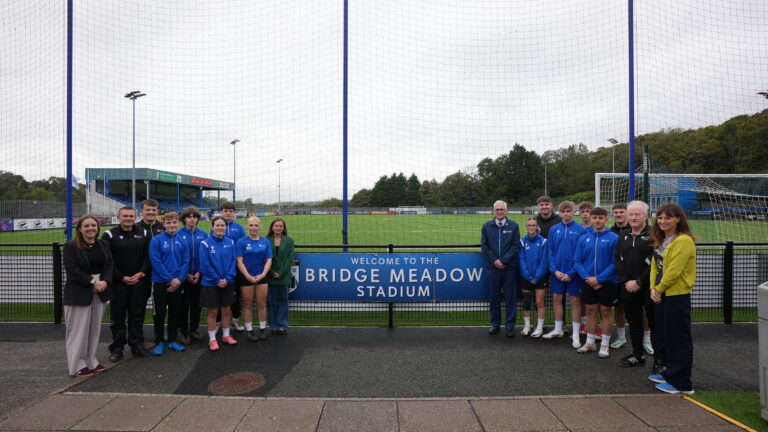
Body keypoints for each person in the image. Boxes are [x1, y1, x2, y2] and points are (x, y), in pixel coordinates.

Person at [647, 203, 697, 395]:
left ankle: (682, 382)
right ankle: (670, 372)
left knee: (678, 338)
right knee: (664, 336)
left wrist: (658, 289)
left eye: (667, 217)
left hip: (676, 296)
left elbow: (673, 271)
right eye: (660, 218)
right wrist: (653, 288)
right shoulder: (663, 240)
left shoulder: (683, 241)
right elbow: (655, 266)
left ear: (678, 219)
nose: (663, 221)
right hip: (661, 294)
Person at [63, 214, 114, 376]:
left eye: (94, 225)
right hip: (80, 290)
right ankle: (77, 365)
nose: (91, 228)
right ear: (79, 229)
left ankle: (91, 361)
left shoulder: (103, 244)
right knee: (78, 330)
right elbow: (72, 271)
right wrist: (93, 282)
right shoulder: (71, 246)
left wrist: (104, 281)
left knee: (94, 329)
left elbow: (109, 264)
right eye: (87, 226)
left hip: (101, 288)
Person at [102, 206, 152, 361]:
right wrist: (121, 277)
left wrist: (141, 273)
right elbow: (107, 260)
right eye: (125, 216)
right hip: (118, 283)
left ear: (135, 217)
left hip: (139, 281)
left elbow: (148, 257)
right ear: (118, 218)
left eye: (131, 216)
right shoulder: (109, 234)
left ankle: (137, 344)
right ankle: (117, 347)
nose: (128, 218)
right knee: (118, 316)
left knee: (137, 315)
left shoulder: (143, 233)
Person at [615, 200, 656, 368]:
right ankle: (637, 355)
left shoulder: (654, 235)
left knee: (654, 322)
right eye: (630, 214)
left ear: (646, 215)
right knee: (634, 322)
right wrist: (626, 281)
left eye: (637, 214)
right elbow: (618, 259)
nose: (633, 217)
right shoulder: (623, 235)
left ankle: (660, 360)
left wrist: (639, 281)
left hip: (648, 287)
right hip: (628, 287)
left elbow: (656, 262)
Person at [574, 207, 619, 358]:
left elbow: (615, 263)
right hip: (588, 281)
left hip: (607, 282)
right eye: (595, 218)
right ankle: (590, 342)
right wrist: (589, 279)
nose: (597, 221)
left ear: (607, 219)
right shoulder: (584, 238)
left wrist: (599, 279)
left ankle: (605, 345)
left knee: (606, 311)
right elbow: (578, 261)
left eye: (601, 218)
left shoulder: (614, 238)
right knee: (590, 311)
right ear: (591, 219)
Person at [543, 200, 586, 346]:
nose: (566, 214)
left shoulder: (581, 230)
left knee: (575, 301)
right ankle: (558, 329)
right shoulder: (554, 229)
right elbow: (550, 252)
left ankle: (575, 334)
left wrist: (572, 273)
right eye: (563, 211)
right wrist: (554, 271)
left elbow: (582, 255)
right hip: (558, 273)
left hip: (574, 274)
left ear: (574, 212)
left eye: (569, 211)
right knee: (556, 298)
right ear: (560, 213)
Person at [148, 211, 189, 355]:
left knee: (175, 312)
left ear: (178, 223)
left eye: (174, 222)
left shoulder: (183, 240)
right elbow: (156, 262)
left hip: (178, 282)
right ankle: (159, 341)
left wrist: (179, 279)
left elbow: (186, 261)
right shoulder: (156, 240)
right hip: (160, 282)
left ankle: (172, 339)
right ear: (164, 224)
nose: (171, 225)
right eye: (168, 223)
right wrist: (170, 280)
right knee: (159, 313)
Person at [480, 200, 520, 337]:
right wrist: (495, 260)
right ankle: (495, 324)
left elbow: (515, 246)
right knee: (494, 297)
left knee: (510, 298)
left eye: (501, 209)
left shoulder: (514, 226)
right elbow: (484, 246)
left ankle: (510, 326)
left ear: (506, 210)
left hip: (509, 268)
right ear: (494, 211)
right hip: (493, 268)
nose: (499, 212)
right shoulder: (487, 226)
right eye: (497, 209)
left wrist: (504, 260)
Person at [199, 215, 238, 351]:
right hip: (211, 283)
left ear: (226, 227)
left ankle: (226, 335)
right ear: (213, 227)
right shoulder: (205, 243)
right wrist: (217, 279)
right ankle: (212, 339)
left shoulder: (231, 242)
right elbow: (204, 265)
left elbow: (234, 261)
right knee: (213, 312)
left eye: (222, 225)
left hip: (227, 282)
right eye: (217, 225)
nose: (220, 227)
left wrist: (227, 278)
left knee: (226, 310)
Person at [235, 217, 273, 342]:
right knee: (247, 304)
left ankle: (262, 329)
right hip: (246, 277)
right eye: (251, 225)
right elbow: (239, 261)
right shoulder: (241, 242)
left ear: (260, 227)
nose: (253, 228)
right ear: (247, 226)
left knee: (262, 304)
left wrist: (263, 274)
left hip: (261, 277)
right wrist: (247, 276)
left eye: (256, 225)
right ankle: (249, 330)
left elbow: (269, 260)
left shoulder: (265, 242)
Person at [212, 202, 245, 331]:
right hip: (219, 268)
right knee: (219, 295)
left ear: (234, 213)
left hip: (235, 267)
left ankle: (236, 319)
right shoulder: (214, 228)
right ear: (221, 212)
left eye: (230, 211)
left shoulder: (239, 228)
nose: (228, 213)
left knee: (235, 295)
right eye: (225, 210)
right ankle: (219, 321)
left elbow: (242, 246)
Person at [177, 206, 208, 343]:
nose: (192, 219)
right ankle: (184, 331)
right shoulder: (178, 234)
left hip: (199, 276)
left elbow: (205, 256)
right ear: (184, 219)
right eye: (189, 217)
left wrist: (199, 272)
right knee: (183, 305)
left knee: (197, 304)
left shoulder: (203, 234)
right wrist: (187, 274)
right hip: (184, 276)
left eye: (194, 217)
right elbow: (177, 257)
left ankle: (194, 329)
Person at [518, 218, 548, 338]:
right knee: (526, 302)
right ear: (526, 227)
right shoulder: (522, 242)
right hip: (526, 277)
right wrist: (528, 276)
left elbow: (544, 261)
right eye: (529, 225)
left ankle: (539, 327)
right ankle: (527, 326)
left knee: (539, 302)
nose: (531, 227)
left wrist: (536, 277)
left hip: (540, 278)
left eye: (533, 225)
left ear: (537, 227)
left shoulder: (544, 241)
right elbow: (521, 261)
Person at [267, 218, 295, 335]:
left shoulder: (289, 240)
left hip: (284, 276)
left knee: (283, 301)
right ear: (272, 227)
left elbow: (290, 258)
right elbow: (265, 259)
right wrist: (272, 272)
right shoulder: (266, 240)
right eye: (276, 226)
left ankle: (282, 324)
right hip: (270, 275)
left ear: (283, 228)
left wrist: (281, 272)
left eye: (280, 226)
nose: (278, 228)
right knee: (271, 301)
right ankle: (273, 325)